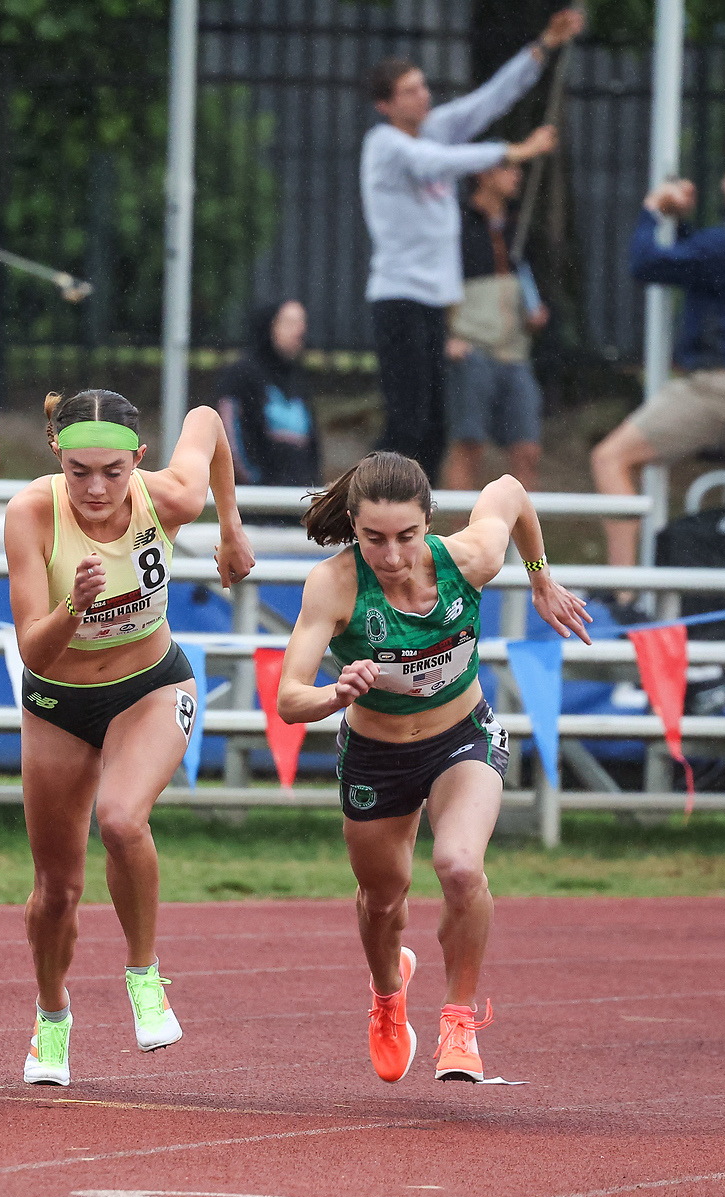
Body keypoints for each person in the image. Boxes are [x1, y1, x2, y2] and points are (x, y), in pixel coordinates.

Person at [276, 452, 591, 1084]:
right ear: (354, 529)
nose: (391, 556)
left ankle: (458, 1018)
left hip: (461, 738)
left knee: (458, 865)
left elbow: (510, 491)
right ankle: (389, 997)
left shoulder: (469, 559)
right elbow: (288, 699)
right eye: (373, 540)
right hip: (377, 755)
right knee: (382, 899)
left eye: (406, 537)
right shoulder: (334, 586)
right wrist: (336, 693)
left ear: (428, 525)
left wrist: (540, 578)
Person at [4, 392, 256, 1086]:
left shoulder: (167, 497)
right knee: (55, 890)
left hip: (151, 685)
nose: (95, 489)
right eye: (79, 471)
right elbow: (33, 653)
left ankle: (145, 975)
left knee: (120, 817)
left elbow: (206, 419)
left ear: (137, 462)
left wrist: (232, 527)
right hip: (59, 700)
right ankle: (52, 1017)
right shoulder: (31, 514)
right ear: (57, 455)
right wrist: (73, 607)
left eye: (113, 473)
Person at [361, 7, 581, 482]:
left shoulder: (432, 129)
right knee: (407, 420)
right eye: (409, 91)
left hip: (433, 302)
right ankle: (360, 506)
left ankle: (405, 521)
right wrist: (512, 151)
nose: (423, 97)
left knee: (436, 426)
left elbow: (489, 101)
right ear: (385, 105)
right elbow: (433, 162)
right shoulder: (386, 145)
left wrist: (543, 46)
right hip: (398, 297)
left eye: (423, 86)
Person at [591, 137, 725, 569]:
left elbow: (648, 264)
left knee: (610, 458)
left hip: (723, 388)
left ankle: (623, 588)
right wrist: (682, 223)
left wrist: (653, 209)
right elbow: (704, 264)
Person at [443, 163, 548, 491]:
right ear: (482, 174)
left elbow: (530, 282)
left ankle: (521, 540)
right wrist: (447, 338)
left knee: (527, 448)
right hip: (474, 349)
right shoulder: (456, 224)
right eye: (505, 167)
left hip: (515, 353)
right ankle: (460, 539)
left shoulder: (518, 227)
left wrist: (536, 314)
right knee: (469, 443)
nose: (516, 175)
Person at [215, 300, 321, 497]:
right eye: (289, 323)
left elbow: (312, 445)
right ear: (268, 326)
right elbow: (230, 439)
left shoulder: (297, 379)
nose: (300, 332)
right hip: (256, 501)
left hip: (297, 500)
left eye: (302, 323)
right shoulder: (241, 375)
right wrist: (255, 483)